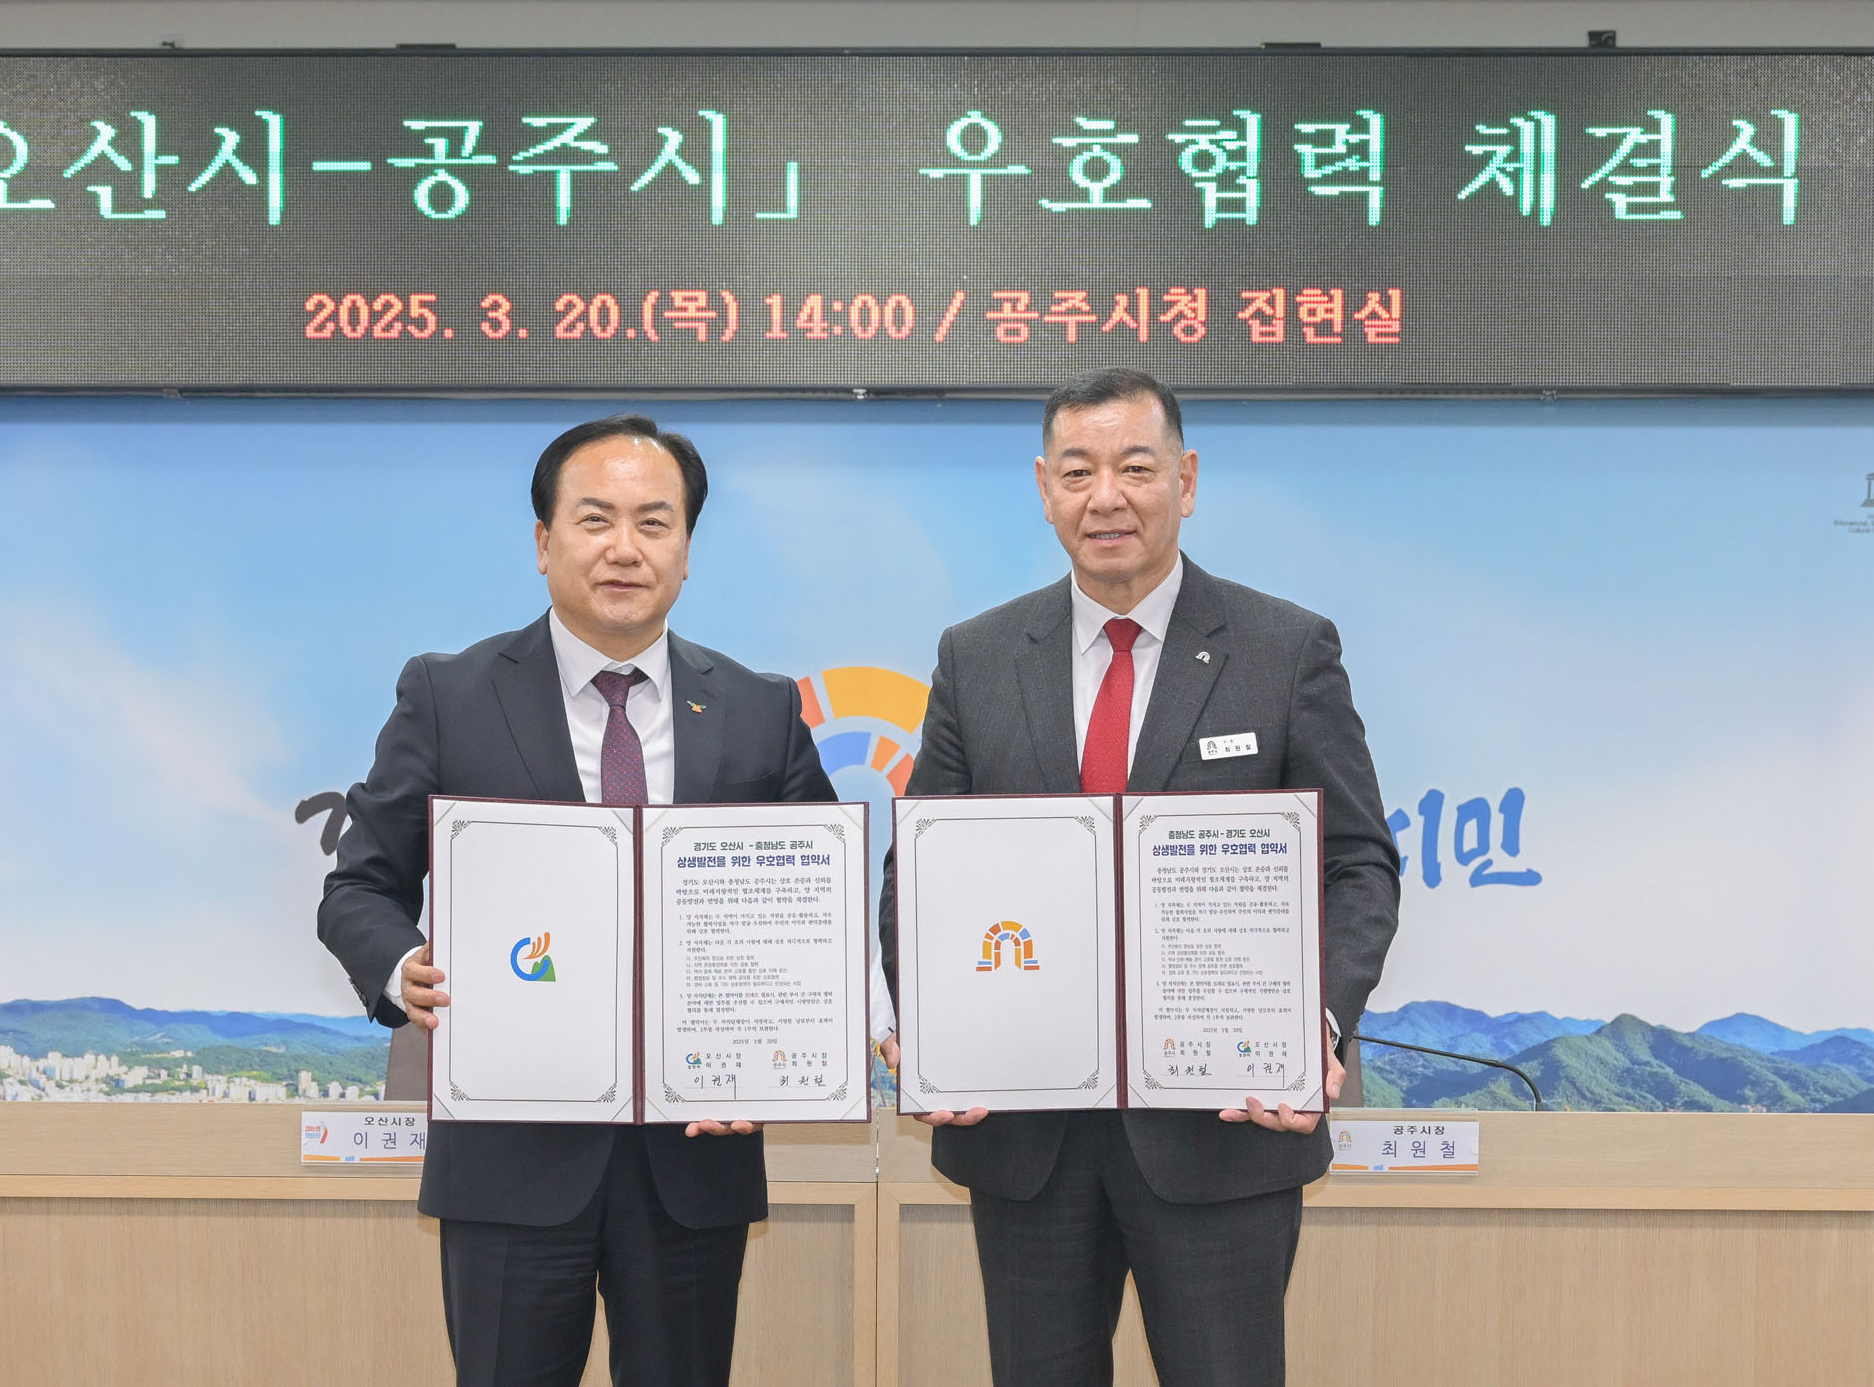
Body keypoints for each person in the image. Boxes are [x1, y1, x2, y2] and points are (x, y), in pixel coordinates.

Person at [319, 413, 888, 1387]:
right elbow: (359, 885)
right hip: (507, 1159)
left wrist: (795, 1053)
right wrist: (401, 966)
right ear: (545, 542)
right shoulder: (451, 694)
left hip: (694, 1159)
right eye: (595, 519)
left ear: (687, 550)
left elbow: (818, 908)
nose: (625, 547)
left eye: (654, 522)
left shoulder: (758, 708)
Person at [880, 369, 1399, 1387]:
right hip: (1027, 1137)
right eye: (1077, 472)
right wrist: (932, 1029)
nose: (1105, 497)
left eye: (1135, 467)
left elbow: (1357, 863)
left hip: (1225, 1129)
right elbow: (922, 870)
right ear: (1044, 488)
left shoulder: (1285, 648)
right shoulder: (977, 657)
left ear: (1186, 480)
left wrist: (1319, 1022)